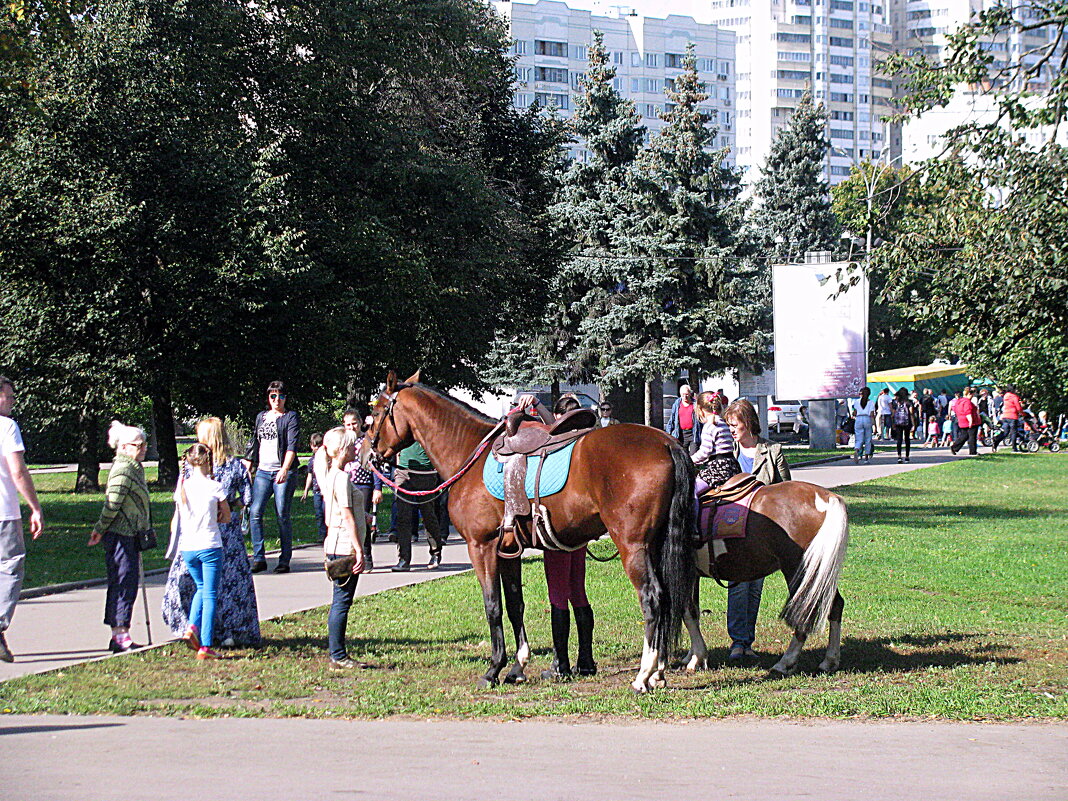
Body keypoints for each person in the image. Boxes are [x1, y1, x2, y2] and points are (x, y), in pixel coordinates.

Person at [514, 393, 597, 680]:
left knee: (558, 595)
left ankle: (561, 664)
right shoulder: (579, 448)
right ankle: (585, 660)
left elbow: (550, 426)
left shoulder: (556, 452)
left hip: (557, 531)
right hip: (579, 536)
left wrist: (537, 408)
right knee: (578, 592)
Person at [162, 418, 260, 648]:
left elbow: (180, 498)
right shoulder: (235, 466)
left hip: (194, 534)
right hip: (225, 537)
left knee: (195, 585)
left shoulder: (190, 468)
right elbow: (248, 498)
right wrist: (231, 505)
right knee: (228, 587)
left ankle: (193, 627)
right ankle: (226, 633)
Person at [723, 399, 791, 662]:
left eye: (735, 424)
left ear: (748, 422)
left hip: (761, 532)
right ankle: (738, 642)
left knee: (754, 588)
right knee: (738, 585)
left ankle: (746, 641)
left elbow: (786, 490)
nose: (731, 429)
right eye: (729, 425)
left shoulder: (772, 451)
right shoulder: (727, 450)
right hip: (732, 527)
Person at [89, 421, 151, 653]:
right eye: (139, 445)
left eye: (145, 444)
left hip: (130, 534)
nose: (143, 448)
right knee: (123, 583)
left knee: (128, 582)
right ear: (124, 447)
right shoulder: (124, 469)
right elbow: (112, 503)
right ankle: (119, 635)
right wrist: (100, 528)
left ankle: (121, 633)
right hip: (119, 535)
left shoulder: (134, 467)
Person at [171, 443, 230, 660]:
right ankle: (205, 644)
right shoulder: (215, 486)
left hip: (188, 547)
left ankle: (191, 628)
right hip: (210, 544)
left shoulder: (182, 486)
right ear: (208, 460)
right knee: (210, 594)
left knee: (201, 587)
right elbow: (227, 516)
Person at [0, 376, 44, 663]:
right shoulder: (6, 427)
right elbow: (18, 471)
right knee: (10, 567)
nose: (14, 402)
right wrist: (35, 507)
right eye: (10, 397)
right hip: (3, 512)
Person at [321, 426, 366, 669]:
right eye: (350, 445)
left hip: (334, 542)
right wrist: (359, 549)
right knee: (342, 601)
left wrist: (365, 516)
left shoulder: (331, 474)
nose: (354, 449)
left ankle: (337, 652)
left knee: (341, 600)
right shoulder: (342, 477)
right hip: (344, 545)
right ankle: (337, 654)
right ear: (340, 450)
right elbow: (346, 515)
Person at [243, 380, 301, 574]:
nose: (277, 400)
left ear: (286, 398)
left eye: (281, 396)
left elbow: (292, 446)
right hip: (263, 471)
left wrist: (284, 469)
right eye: (273, 396)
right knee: (255, 511)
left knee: (282, 514)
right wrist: (249, 465)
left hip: (283, 471)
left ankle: (284, 560)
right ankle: (259, 558)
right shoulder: (261, 417)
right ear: (268, 398)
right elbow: (255, 442)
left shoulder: (290, 417)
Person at [391, 439, 444, 572]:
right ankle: (404, 559)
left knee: (428, 515)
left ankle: (435, 553)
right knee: (403, 517)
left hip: (426, 474)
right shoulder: (402, 426)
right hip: (403, 472)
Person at [343, 408, 382, 572]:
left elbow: (375, 467)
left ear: (360, 423)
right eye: (347, 424)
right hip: (345, 484)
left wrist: (377, 488)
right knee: (347, 521)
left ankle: (367, 556)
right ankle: (349, 556)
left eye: (354, 423)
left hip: (363, 484)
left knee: (362, 521)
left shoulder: (366, 441)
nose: (351, 427)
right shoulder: (343, 440)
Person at [692, 392, 740, 496]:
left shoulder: (709, 426)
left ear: (700, 410)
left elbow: (705, 452)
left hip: (717, 470)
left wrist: (689, 460)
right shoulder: (723, 423)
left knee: (690, 492)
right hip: (732, 467)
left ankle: (693, 513)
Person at [301, 432, 327, 543]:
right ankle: (322, 534)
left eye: (318, 445)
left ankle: (328, 534)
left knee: (326, 512)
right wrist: (306, 490)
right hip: (316, 491)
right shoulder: (311, 461)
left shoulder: (327, 459)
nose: (315, 448)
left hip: (326, 491)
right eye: (313, 445)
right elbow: (310, 476)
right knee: (319, 513)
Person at [668, 385, 700, 454]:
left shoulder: (695, 404)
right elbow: (672, 420)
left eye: (686, 394)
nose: (685, 397)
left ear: (690, 394)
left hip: (693, 434)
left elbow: (701, 420)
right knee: (682, 456)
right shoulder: (677, 404)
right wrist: (668, 433)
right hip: (681, 434)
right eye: (683, 395)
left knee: (693, 457)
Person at [992, 385, 1023, 452]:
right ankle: (1014, 448)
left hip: (1005, 416)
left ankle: (996, 442)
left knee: (1005, 432)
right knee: (1013, 432)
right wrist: (1022, 413)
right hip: (1013, 416)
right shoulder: (1014, 397)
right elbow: (1018, 407)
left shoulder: (1006, 396)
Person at [850, 388, 876, 463]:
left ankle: (857, 450)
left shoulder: (857, 402)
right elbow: (871, 414)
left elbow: (854, 413)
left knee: (859, 438)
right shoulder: (871, 402)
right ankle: (866, 458)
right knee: (868, 439)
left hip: (858, 419)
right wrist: (874, 425)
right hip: (867, 419)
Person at [951, 390, 981, 455]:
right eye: (972, 395)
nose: (972, 396)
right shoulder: (967, 402)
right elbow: (968, 411)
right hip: (970, 421)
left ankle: (955, 447)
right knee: (972, 437)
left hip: (961, 420)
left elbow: (955, 410)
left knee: (964, 436)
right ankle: (972, 451)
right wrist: (970, 420)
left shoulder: (958, 401)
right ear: (969, 394)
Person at [890, 388, 916, 463]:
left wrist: (893, 423)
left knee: (899, 439)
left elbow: (893, 414)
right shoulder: (909, 402)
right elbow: (911, 413)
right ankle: (907, 456)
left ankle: (899, 456)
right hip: (907, 422)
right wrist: (913, 424)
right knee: (907, 439)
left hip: (898, 422)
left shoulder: (895, 403)